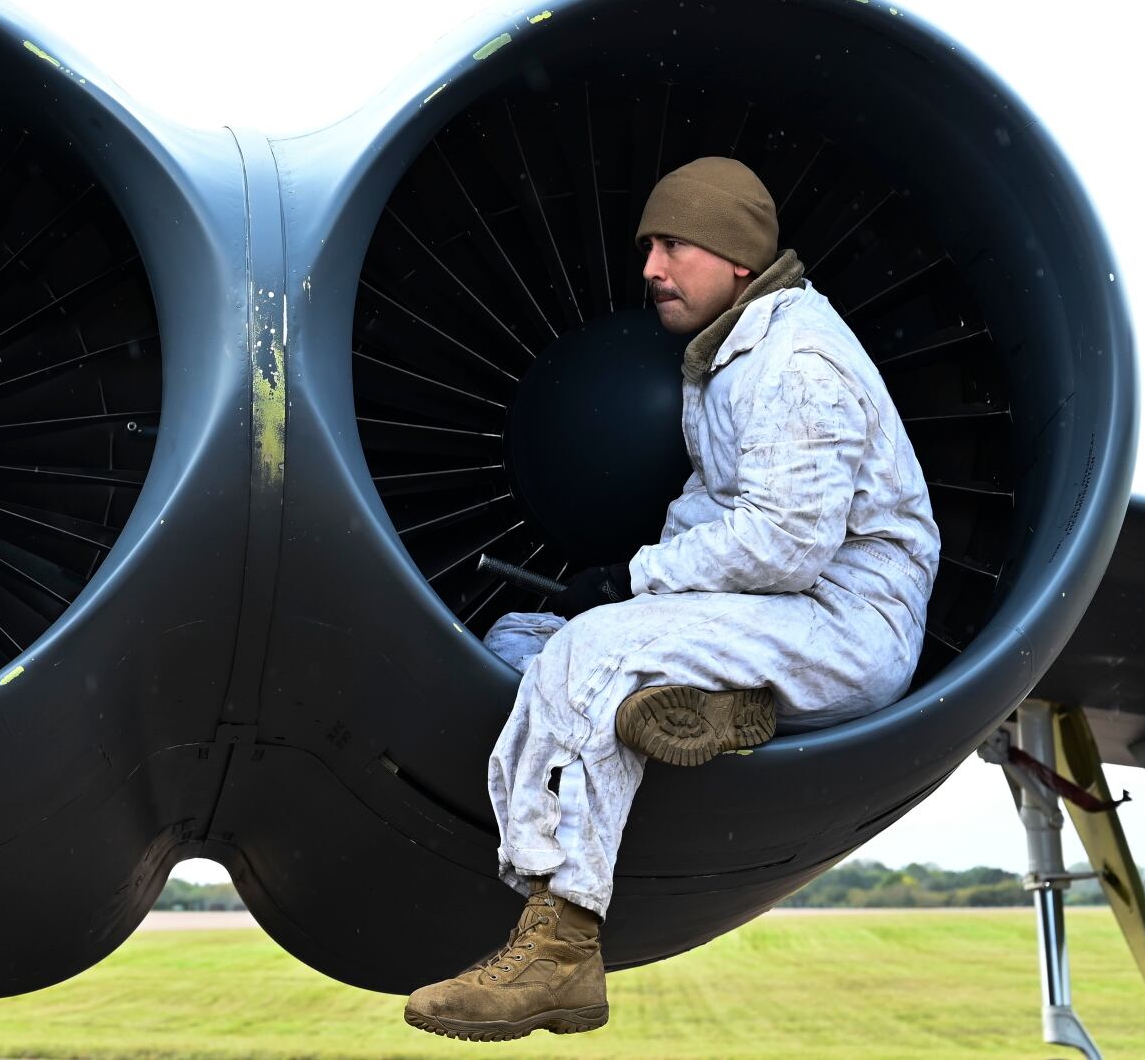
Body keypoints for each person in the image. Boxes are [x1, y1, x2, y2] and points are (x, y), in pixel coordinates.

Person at [403, 156, 941, 1042]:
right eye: (648, 244)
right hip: (776, 618)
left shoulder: (798, 361)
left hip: (845, 625)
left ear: (736, 256)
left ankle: (562, 942)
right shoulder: (723, 357)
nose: (649, 266)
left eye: (673, 244)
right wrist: (611, 597)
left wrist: (628, 585)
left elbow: (785, 543)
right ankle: (718, 705)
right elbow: (709, 515)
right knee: (524, 639)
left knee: (589, 656)